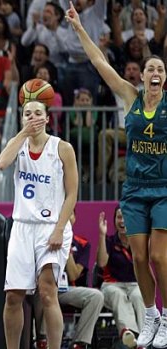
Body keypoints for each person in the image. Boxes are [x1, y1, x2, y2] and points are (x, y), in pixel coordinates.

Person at [67, 3, 167, 347]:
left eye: (159, 68)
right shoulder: (130, 95)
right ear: (142, 75)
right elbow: (99, 63)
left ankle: (165, 317)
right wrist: (80, 29)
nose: (154, 71)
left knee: (158, 256)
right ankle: (151, 315)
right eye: (149, 67)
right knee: (139, 256)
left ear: (164, 78)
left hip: (164, 188)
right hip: (135, 188)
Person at [0, 99, 78, 349]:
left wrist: (59, 229)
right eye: (27, 114)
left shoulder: (62, 148)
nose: (32, 117)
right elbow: (1, 163)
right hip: (22, 226)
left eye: (37, 113)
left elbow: (72, 194)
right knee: (13, 297)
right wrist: (23, 133)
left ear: (47, 118)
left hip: (51, 226)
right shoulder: (18, 144)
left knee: (47, 291)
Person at [34, 209, 104, 349]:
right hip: (44, 287)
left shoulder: (82, 244)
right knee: (42, 292)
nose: (65, 217)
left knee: (96, 296)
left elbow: (73, 275)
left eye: (69, 214)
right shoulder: (41, 238)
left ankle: (79, 343)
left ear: (74, 218)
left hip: (67, 290)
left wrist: (67, 245)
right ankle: (42, 340)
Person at [97, 206, 144, 348]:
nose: (122, 221)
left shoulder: (139, 242)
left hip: (134, 285)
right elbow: (101, 262)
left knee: (139, 295)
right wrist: (101, 235)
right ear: (114, 220)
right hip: (111, 285)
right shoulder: (110, 241)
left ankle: (144, 339)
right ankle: (127, 332)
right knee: (118, 295)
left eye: (126, 217)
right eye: (119, 217)